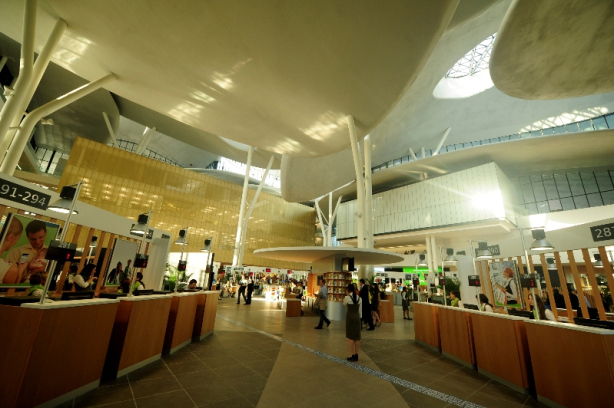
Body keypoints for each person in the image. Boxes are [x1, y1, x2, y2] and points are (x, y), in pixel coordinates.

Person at [7, 219, 50, 283]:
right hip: (18, 289)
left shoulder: (50, 252)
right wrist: (27, 269)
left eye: (41, 237)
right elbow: (8, 278)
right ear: (27, 237)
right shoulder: (17, 252)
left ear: (45, 233)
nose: (37, 242)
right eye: (33, 239)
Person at [0, 217, 28, 284]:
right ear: (11, 237)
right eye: (18, 238)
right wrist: (19, 272)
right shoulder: (10, 269)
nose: (16, 242)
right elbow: (9, 293)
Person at [343, 283, 362, 362]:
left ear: (348, 290)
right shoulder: (359, 299)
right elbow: (360, 310)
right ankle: (356, 354)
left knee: (351, 336)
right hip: (357, 317)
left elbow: (344, 304)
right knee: (357, 337)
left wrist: (347, 295)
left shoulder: (347, 298)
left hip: (350, 318)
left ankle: (351, 355)